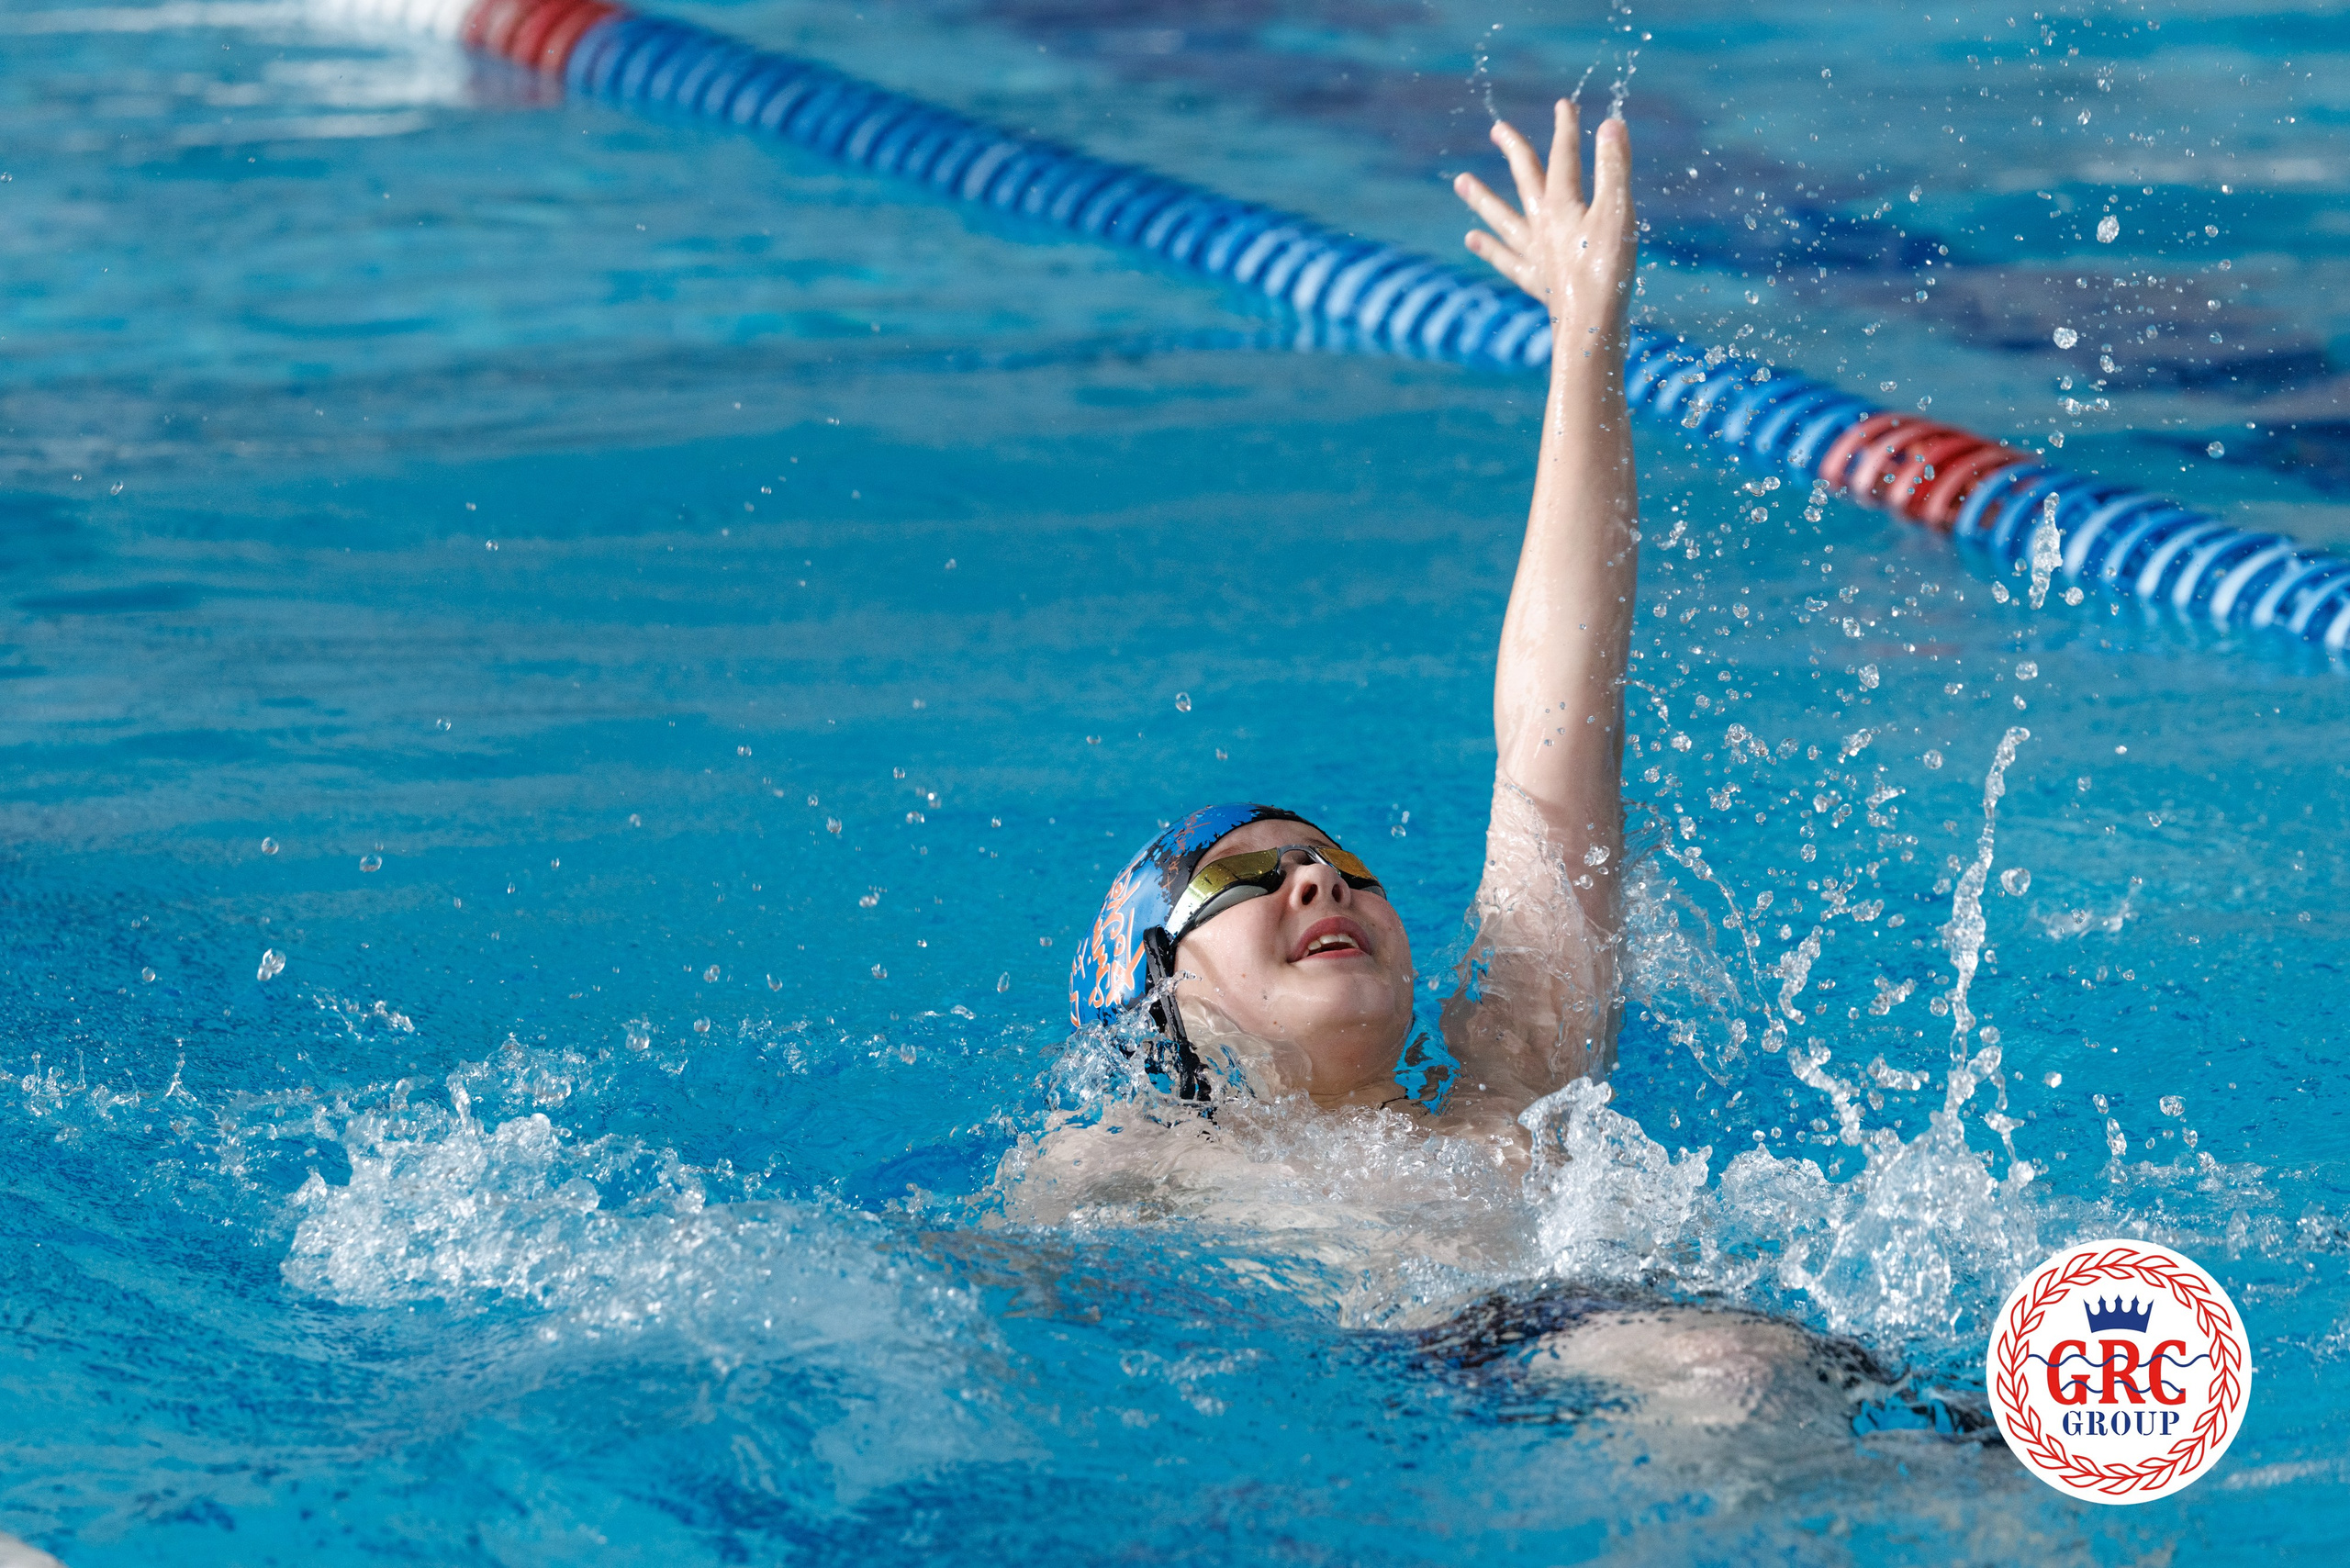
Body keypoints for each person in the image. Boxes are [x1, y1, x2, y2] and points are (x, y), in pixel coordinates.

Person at [1058, 101, 1640, 1156]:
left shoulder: (1516, 1079)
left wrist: (1586, 340)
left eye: (1340, 867)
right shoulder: (1137, 1168)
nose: (1319, 879)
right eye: (1243, 880)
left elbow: (1557, 730)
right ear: (1163, 999)